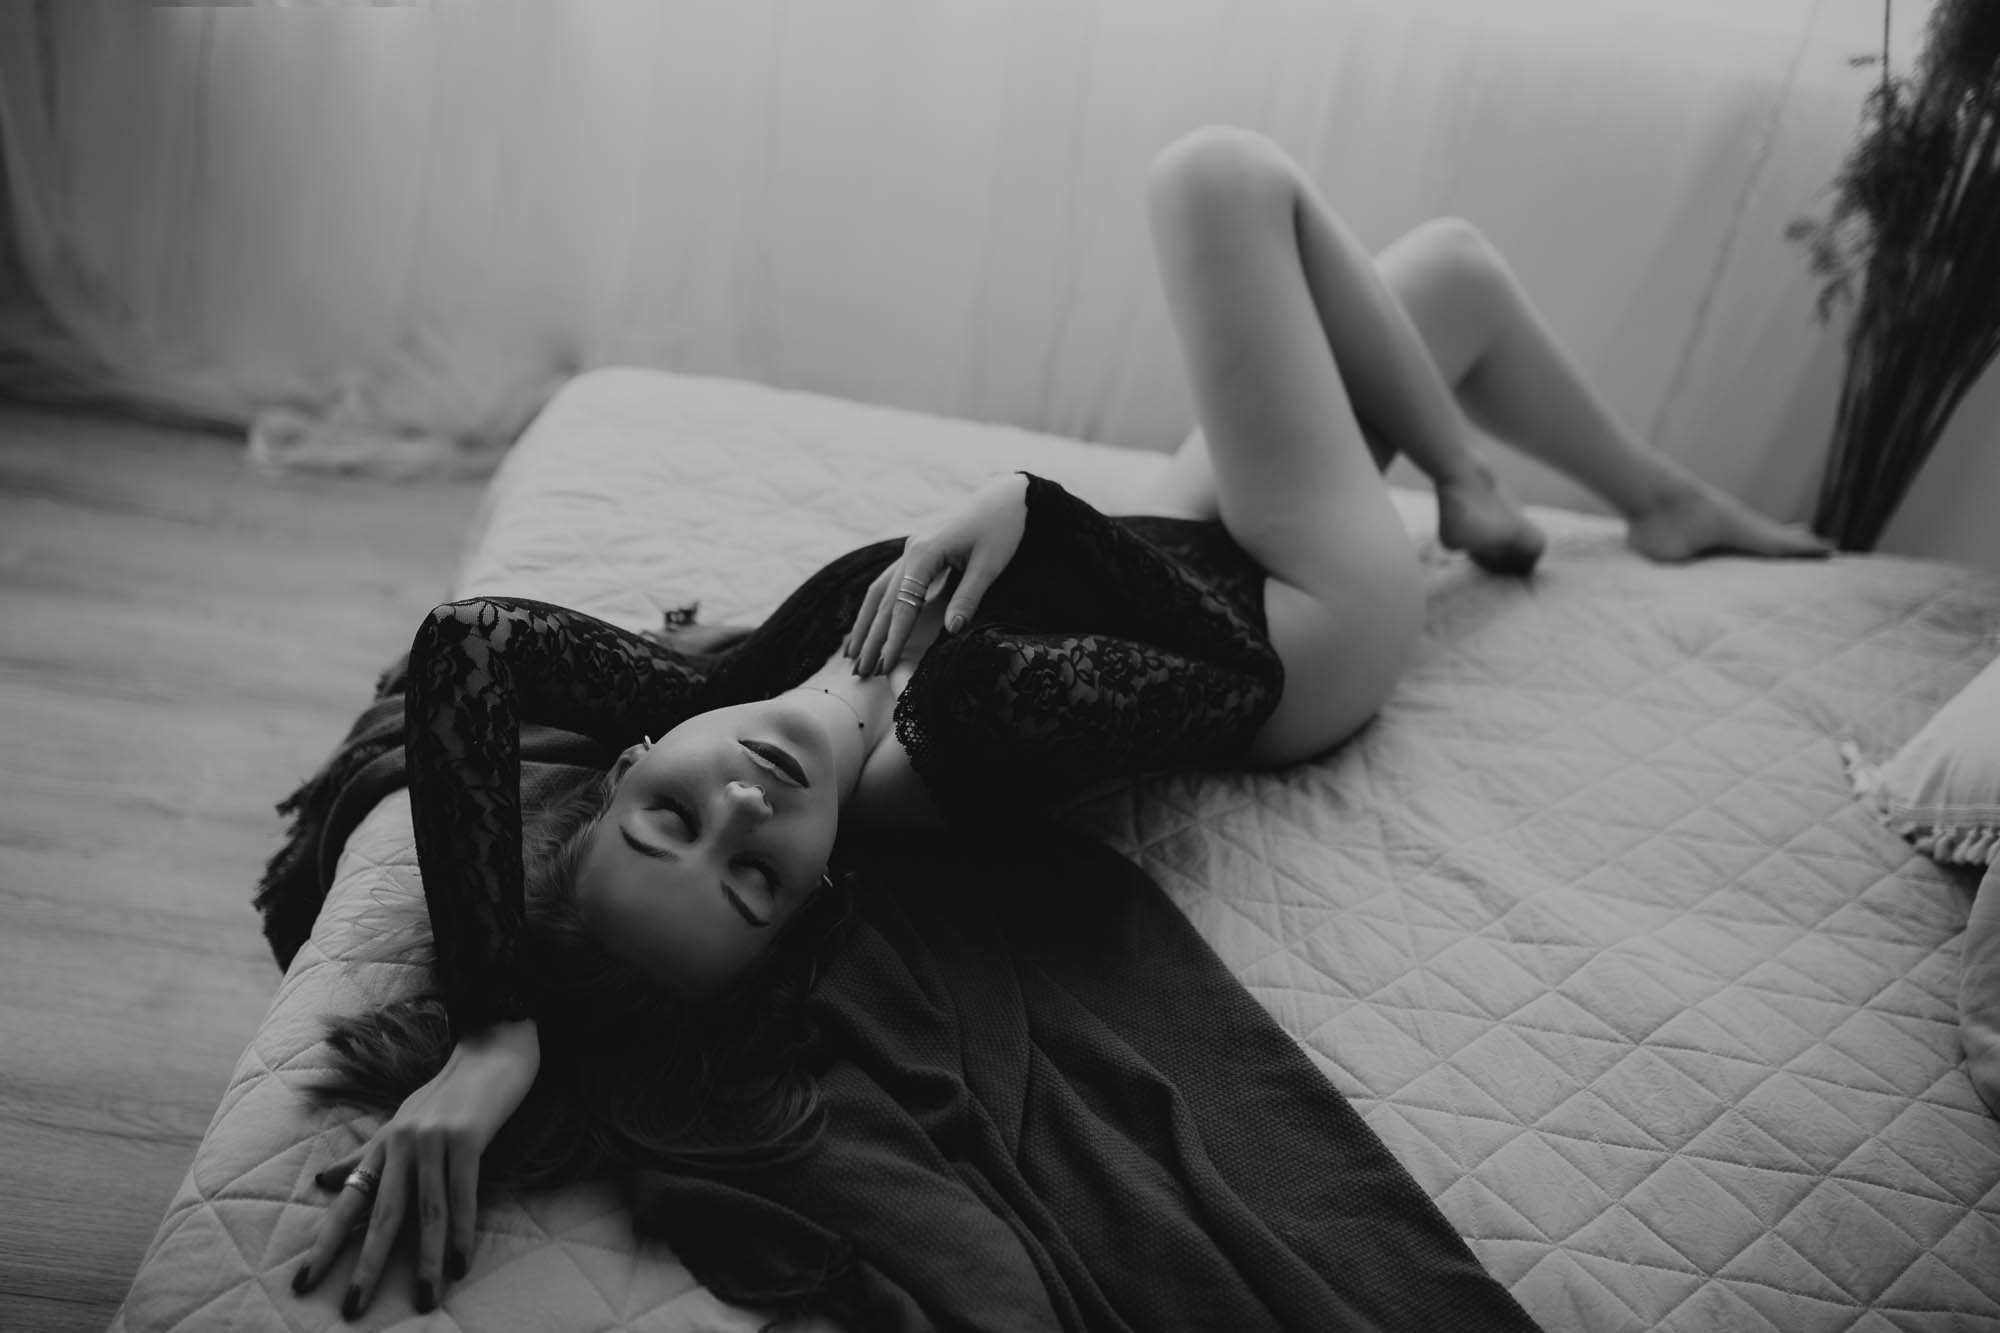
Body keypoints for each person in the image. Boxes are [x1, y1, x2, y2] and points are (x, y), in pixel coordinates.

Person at [290, 125, 1828, 1319]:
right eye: (753, 877)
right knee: (1219, 179)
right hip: (1298, 621)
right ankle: (1488, 488)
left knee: (1450, 277)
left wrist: (497, 1023)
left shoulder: (694, 701)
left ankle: (1628, 499)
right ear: (818, 894)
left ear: (633, 762)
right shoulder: (958, 739)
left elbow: (467, 648)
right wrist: (1031, 508)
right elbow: (1216, 667)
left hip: (1163, 539)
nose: (743, 809)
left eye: (668, 820)